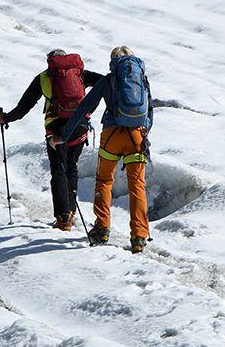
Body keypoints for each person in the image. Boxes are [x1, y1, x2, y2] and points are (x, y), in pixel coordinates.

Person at [59, 46, 154, 253]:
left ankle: (102, 228)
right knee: (136, 185)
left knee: (104, 180)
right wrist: (144, 134)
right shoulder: (142, 80)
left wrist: (64, 136)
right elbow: (150, 112)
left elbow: (84, 108)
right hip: (136, 135)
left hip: (112, 135)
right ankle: (138, 236)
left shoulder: (108, 80)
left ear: (113, 61)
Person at [0, 50, 103, 230]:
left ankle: (63, 219)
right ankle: (71, 212)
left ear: (50, 62)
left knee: (59, 170)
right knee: (71, 167)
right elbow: (103, 83)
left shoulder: (44, 78)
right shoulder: (79, 74)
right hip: (79, 126)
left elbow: (24, 107)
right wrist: (88, 110)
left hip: (55, 129)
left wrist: (5, 118)